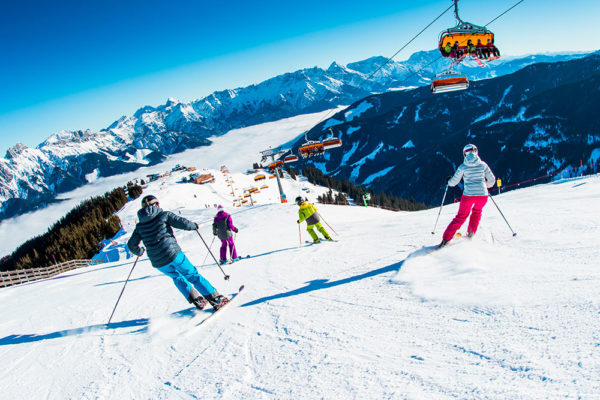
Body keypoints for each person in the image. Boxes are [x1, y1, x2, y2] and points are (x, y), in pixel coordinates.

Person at [127, 195, 228, 311]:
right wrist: (193, 226)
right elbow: (181, 222)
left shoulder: (140, 226)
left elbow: (131, 245)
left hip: (158, 261)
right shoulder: (163, 215)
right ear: (156, 205)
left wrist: (140, 251)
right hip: (172, 254)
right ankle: (216, 299)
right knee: (192, 275)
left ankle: (197, 300)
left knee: (177, 277)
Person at [440, 144, 495, 247]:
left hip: (468, 196)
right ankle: (470, 234)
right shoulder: (483, 165)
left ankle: (446, 240)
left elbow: (453, 182)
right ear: (476, 151)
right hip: (483, 195)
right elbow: (492, 180)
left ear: (464, 154)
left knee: (461, 216)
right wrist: (485, 186)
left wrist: (448, 181)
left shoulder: (463, 167)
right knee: (477, 212)